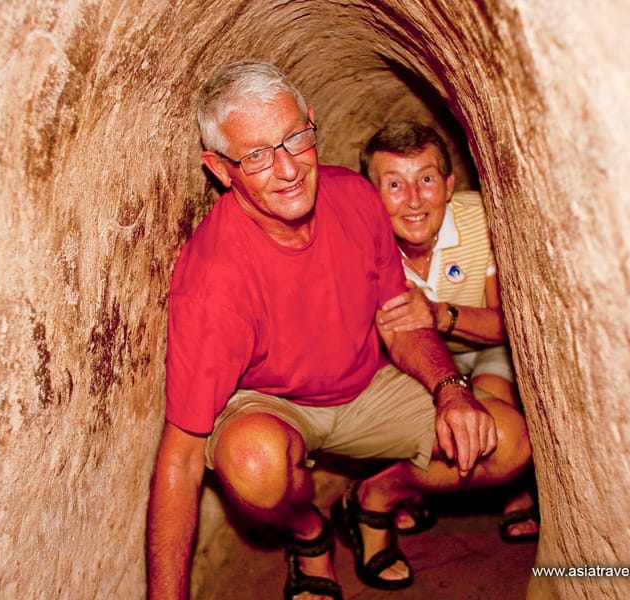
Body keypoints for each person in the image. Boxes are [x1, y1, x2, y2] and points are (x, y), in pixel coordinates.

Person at [147, 60, 531, 600]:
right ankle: (308, 533)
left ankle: (373, 497)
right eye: (256, 155)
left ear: (311, 120)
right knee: (254, 463)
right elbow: (182, 457)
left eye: (294, 138)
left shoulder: (354, 197)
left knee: (506, 442)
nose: (286, 169)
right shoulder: (214, 281)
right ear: (220, 168)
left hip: (367, 384)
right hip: (276, 402)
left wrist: (449, 391)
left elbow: (401, 321)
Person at [360, 120, 539, 542]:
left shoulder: (478, 219)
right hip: (418, 360)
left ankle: (513, 488)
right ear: (373, 196)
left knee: (499, 417)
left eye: (426, 179)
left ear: (449, 183)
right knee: (423, 421)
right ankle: (414, 487)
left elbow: (509, 326)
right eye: (395, 185)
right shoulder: (362, 244)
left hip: (488, 343)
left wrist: (441, 316)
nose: (414, 201)